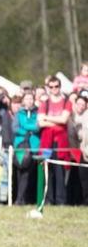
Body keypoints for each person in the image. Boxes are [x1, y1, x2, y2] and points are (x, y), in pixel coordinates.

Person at [38, 76, 72, 205]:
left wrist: (47, 118)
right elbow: (40, 123)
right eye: (51, 87)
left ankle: (60, 200)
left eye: (56, 86)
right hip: (47, 141)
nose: (54, 89)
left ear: (60, 86)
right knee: (48, 169)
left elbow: (64, 120)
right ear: (48, 87)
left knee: (60, 171)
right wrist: (56, 120)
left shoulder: (66, 102)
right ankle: (48, 199)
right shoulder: (44, 103)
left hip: (61, 141)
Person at [13, 92, 40, 205]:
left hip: (34, 145)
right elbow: (15, 128)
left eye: (31, 98)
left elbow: (38, 127)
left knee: (29, 173)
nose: (29, 101)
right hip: (20, 145)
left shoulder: (38, 112)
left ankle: (24, 198)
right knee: (21, 171)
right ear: (23, 101)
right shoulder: (18, 113)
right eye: (26, 98)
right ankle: (20, 198)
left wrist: (26, 127)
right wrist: (29, 129)